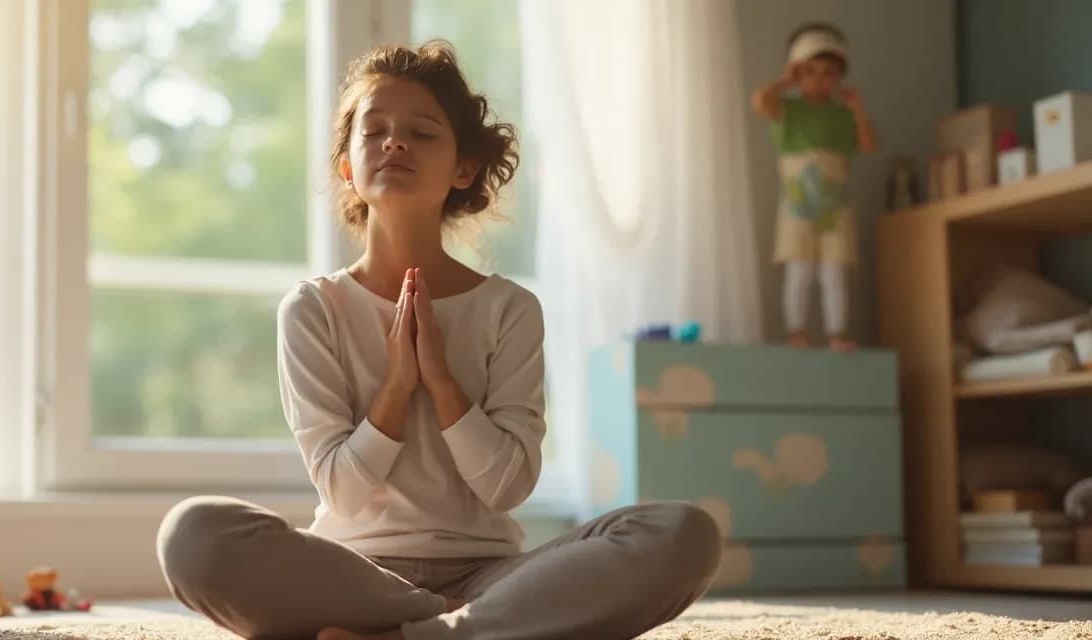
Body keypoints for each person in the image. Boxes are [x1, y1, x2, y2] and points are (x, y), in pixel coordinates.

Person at [157, 40, 722, 640]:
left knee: (685, 534)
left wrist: (444, 383)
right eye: (373, 131)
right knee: (193, 535)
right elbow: (345, 493)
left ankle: (424, 634)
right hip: (353, 578)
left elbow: (506, 486)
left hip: (493, 577)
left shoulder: (509, 309)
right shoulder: (312, 310)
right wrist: (397, 387)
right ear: (348, 165)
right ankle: (459, 633)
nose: (393, 142)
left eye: (421, 133)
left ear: (463, 168)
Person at [750, 23, 877, 352]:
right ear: (798, 73)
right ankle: (797, 332)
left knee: (834, 274)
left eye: (829, 73)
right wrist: (785, 81)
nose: (820, 80)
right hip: (798, 203)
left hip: (835, 205)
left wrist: (858, 107)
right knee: (800, 271)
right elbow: (760, 100)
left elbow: (868, 144)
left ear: (839, 77)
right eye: (811, 72)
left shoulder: (843, 116)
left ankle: (838, 333)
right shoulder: (789, 110)